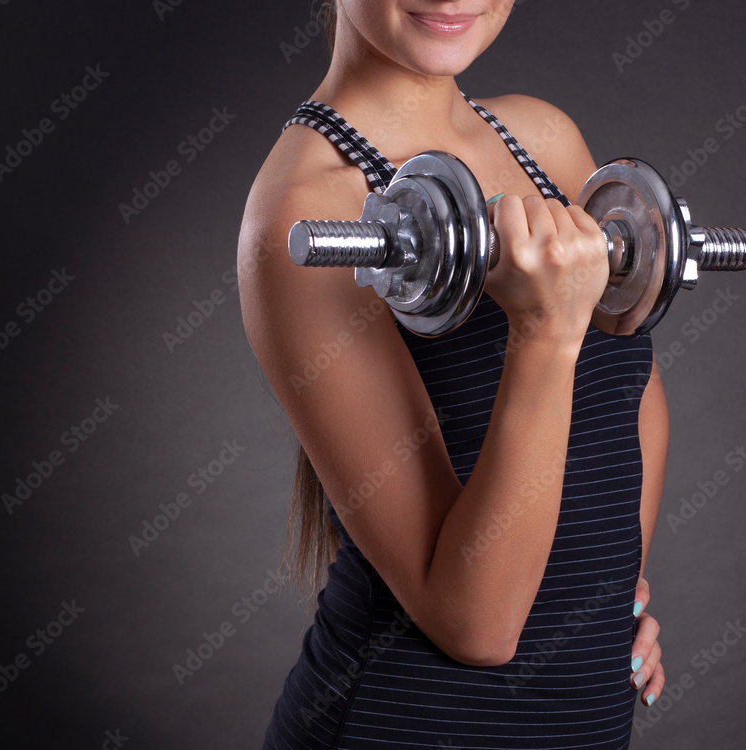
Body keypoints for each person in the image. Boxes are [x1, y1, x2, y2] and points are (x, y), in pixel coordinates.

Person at [238, 2, 669, 747]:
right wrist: (544, 330)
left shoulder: (544, 137)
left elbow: (634, 407)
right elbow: (478, 627)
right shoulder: (303, 209)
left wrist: (603, 602)